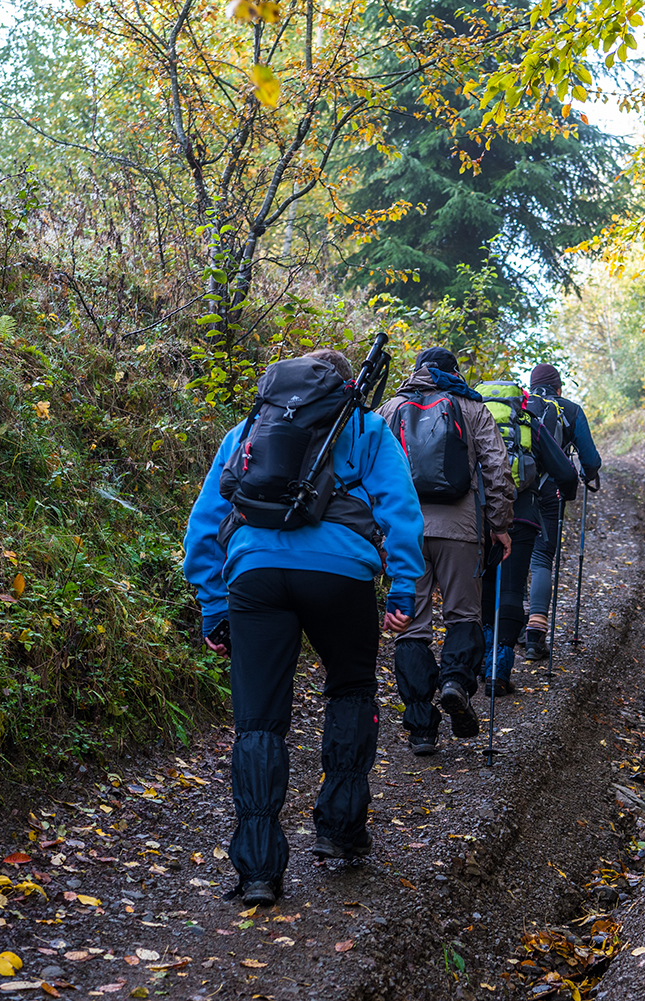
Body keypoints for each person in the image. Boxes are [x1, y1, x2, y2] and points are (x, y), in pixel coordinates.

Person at [182, 348, 425, 907]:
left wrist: (213, 603)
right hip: (341, 576)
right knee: (350, 689)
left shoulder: (248, 429)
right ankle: (340, 833)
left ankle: (260, 870)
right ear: (346, 386)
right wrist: (404, 587)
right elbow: (400, 509)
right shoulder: (365, 428)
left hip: (254, 574)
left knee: (258, 722)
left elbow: (205, 521)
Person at [377, 347, 515, 755]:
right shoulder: (471, 406)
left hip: (405, 532)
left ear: (417, 371)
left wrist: (377, 532)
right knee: (463, 615)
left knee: (411, 626)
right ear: (453, 372)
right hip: (461, 529)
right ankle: (455, 682)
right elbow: (496, 467)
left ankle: (421, 726)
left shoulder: (390, 408)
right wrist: (501, 525)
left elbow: (371, 472)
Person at [474, 375, 578, 693]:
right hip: (522, 517)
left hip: (477, 518)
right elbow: (565, 472)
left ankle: (479, 661)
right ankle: (499, 670)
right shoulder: (528, 424)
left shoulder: (469, 415)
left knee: (483, 589)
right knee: (511, 590)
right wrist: (567, 494)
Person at [524, 363, 601, 660]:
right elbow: (590, 459)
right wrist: (587, 474)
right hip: (550, 491)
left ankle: (511, 624)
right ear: (558, 388)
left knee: (512, 553)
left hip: (514, 492)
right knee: (542, 557)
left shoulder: (518, 405)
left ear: (531, 386)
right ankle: (535, 635)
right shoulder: (570, 409)